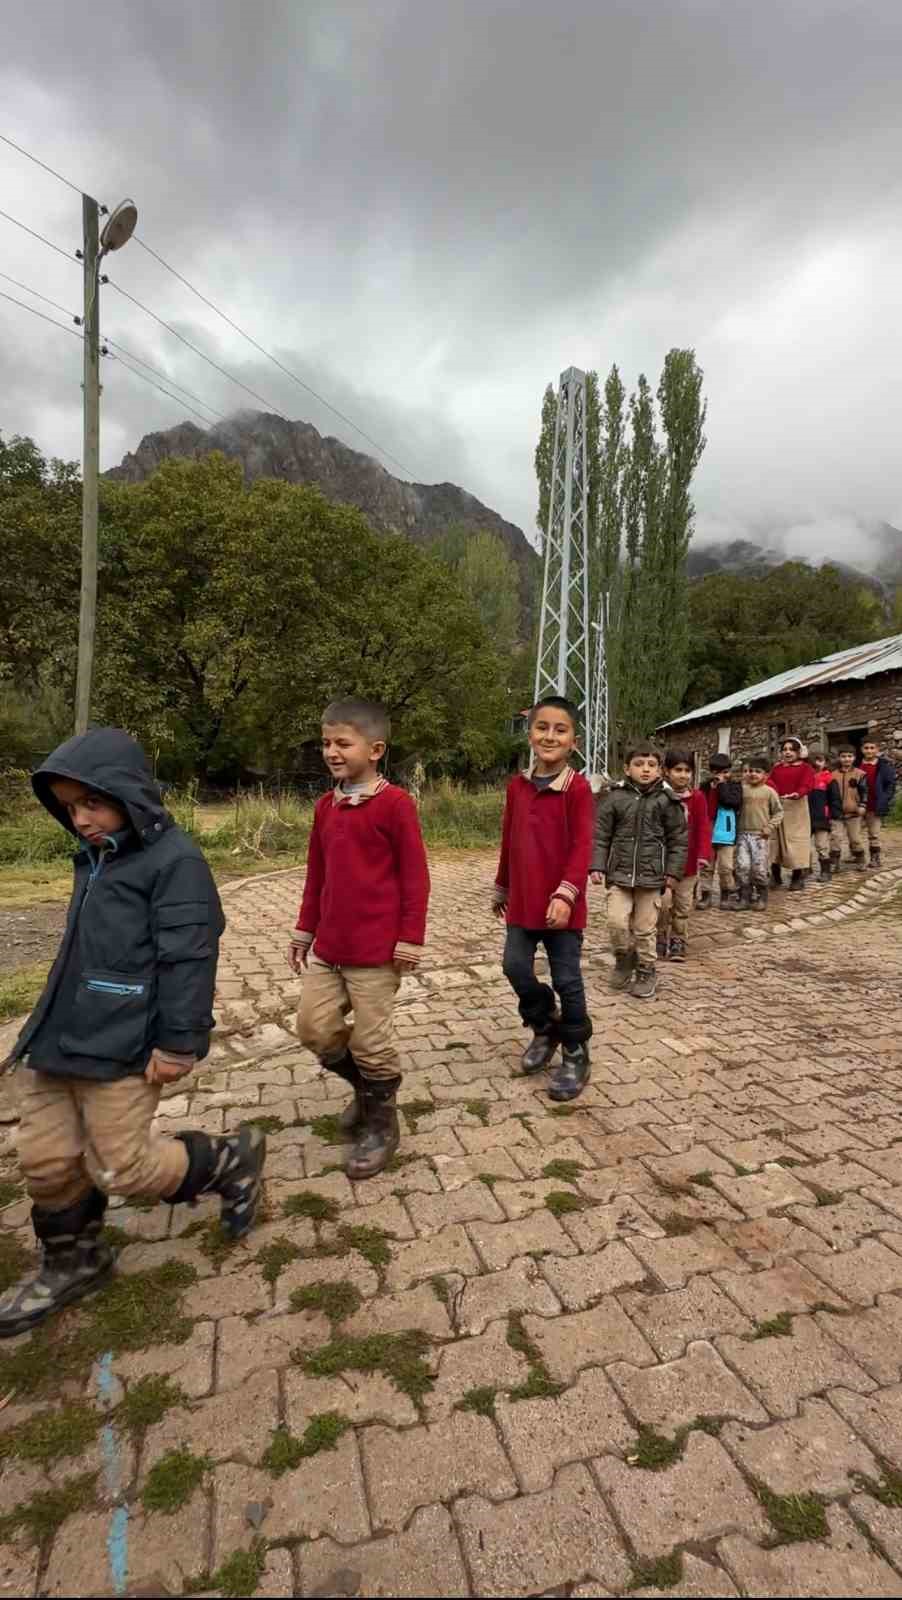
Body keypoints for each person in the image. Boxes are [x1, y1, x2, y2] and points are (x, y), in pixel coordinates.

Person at [0, 728, 264, 1340]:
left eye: (92, 803)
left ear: (129, 794)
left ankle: (228, 1159)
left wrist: (180, 1041)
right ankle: (75, 1262)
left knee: (122, 1168)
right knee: (43, 1161)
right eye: (68, 807)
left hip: (124, 1045)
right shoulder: (94, 858)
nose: (81, 819)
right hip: (60, 1038)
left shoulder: (175, 863)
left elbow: (189, 957)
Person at [290, 699, 430, 1178]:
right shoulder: (325, 806)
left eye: (342, 743)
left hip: (376, 953)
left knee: (372, 1043)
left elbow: (416, 876)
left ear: (375, 750)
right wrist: (304, 929)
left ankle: (381, 1124)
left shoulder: (395, 805)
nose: (331, 751)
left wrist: (411, 936)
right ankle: (368, 1090)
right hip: (329, 948)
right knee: (312, 1027)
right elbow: (317, 875)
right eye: (327, 742)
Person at [493, 697, 594, 1101]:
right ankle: (544, 1026)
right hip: (523, 900)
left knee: (567, 979)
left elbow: (583, 846)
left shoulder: (578, 788)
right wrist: (502, 885)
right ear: (530, 732)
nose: (550, 736)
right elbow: (508, 839)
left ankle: (575, 1050)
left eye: (560, 729)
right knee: (514, 967)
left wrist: (567, 894)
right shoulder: (517, 786)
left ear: (573, 740)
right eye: (542, 727)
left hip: (562, 906)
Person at [592, 746, 687, 1001]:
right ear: (627, 769)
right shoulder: (614, 798)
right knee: (616, 922)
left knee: (645, 929)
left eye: (651, 765)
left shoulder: (668, 801)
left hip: (652, 878)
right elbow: (601, 836)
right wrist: (597, 865)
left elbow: (678, 841)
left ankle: (646, 970)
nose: (645, 769)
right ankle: (624, 960)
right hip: (619, 875)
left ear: (660, 770)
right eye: (639, 764)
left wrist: (672, 874)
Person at [658, 750, 711, 962]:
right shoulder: (659, 796)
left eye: (687, 771)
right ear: (666, 772)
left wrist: (703, 853)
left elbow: (703, 827)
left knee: (682, 905)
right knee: (663, 903)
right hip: (663, 863)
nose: (683, 775)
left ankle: (678, 939)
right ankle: (660, 935)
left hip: (688, 865)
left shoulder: (697, 798)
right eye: (677, 770)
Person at [735, 755, 784, 910]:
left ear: (766, 775)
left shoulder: (769, 792)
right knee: (743, 866)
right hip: (742, 835)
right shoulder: (741, 791)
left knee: (759, 868)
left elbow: (779, 812)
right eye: (750, 771)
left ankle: (762, 897)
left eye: (758, 771)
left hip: (760, 836)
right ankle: (745, 897)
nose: (753, 774)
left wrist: (769, 827)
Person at [767, 737, 816, 891]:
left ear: (798, 752)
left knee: (796, 842)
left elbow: (807, 784)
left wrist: (798, 793)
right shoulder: (777, 768)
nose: (787, 752)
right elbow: (770, 783)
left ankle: (797, 876)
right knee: (775, 842)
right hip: (777, 806)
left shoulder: (806, 768)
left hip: (797, 808)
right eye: (785, 750)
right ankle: (775, 875)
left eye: (791, 749)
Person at [697, 755, 743, 910]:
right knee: (706, 867)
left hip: (726, 832)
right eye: (717, 771)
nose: (720, 775)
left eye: (725, 772)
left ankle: (725, 894)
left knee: (726, 867)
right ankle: (706, 895)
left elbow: (730, 801)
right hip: (708, 831)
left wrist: (722, 785)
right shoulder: (705, 786)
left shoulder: (734, 786)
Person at [860, 737, 896, 868]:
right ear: (861, 749)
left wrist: (885, 798)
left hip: (874, 804)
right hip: (858, 805)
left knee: (873, 834)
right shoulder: (857, 764)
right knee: (853, 833)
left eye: (872, 748)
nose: (869, 750)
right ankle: (857, 855)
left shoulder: (884, 766)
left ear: (877, 750)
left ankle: (875, 858)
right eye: (866, 748)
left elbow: (890, 785)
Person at [807, 749, 842, 882]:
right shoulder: (806, 779)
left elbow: (835, 798)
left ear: (826, 763)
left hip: (822, 817)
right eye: (813, 762)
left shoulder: (829, 779)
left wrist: (835, 814)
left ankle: (825, 871)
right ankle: (805, 868)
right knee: (804, 845)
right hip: (805, 817)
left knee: (821, 845)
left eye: (820, 760)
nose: (816, 764)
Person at [832, 746, 868, 871]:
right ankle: (834, 863)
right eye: (843, 756)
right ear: (839, 758)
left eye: (849, 756)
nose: (846, 759)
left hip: (854, 813)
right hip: (837, 813)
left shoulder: (860, 774)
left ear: (854, 758)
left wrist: (863, 804)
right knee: (835, 838)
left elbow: (864, 791)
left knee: (855, 839)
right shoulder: (833, 775)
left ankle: (860, 860)